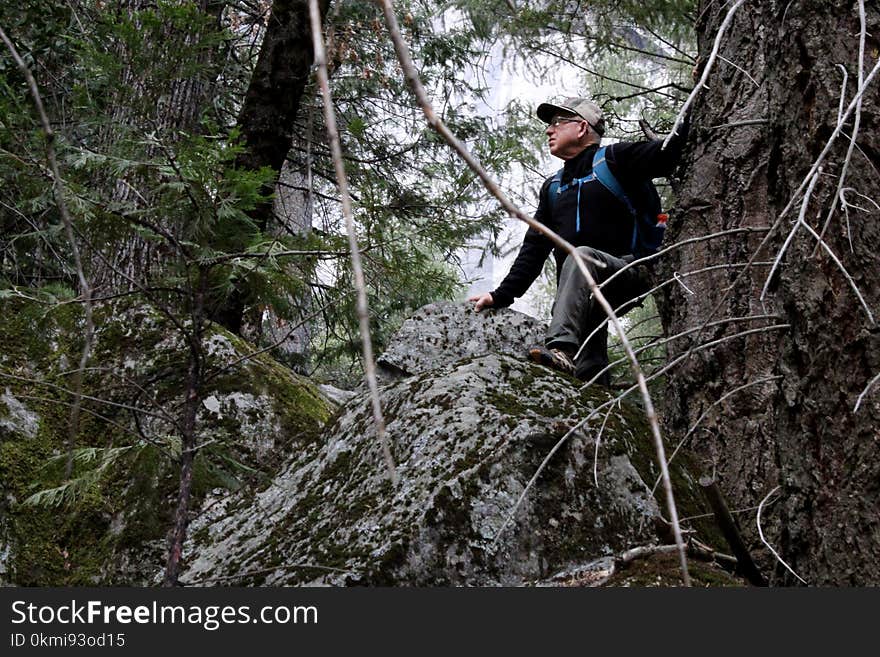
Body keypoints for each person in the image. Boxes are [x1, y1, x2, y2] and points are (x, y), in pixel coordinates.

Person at [468, 97, 688, 384]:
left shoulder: (616, 160)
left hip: (631, 272)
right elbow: (534, 249)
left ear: (582, 127)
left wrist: (699, 96)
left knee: (581, 257)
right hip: (582, 294)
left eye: (557, 123)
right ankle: (595, 407)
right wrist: (500, 295)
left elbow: (668, 153)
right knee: (588, 371)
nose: (549, 130)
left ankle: (560, 348)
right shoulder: (553, 188)